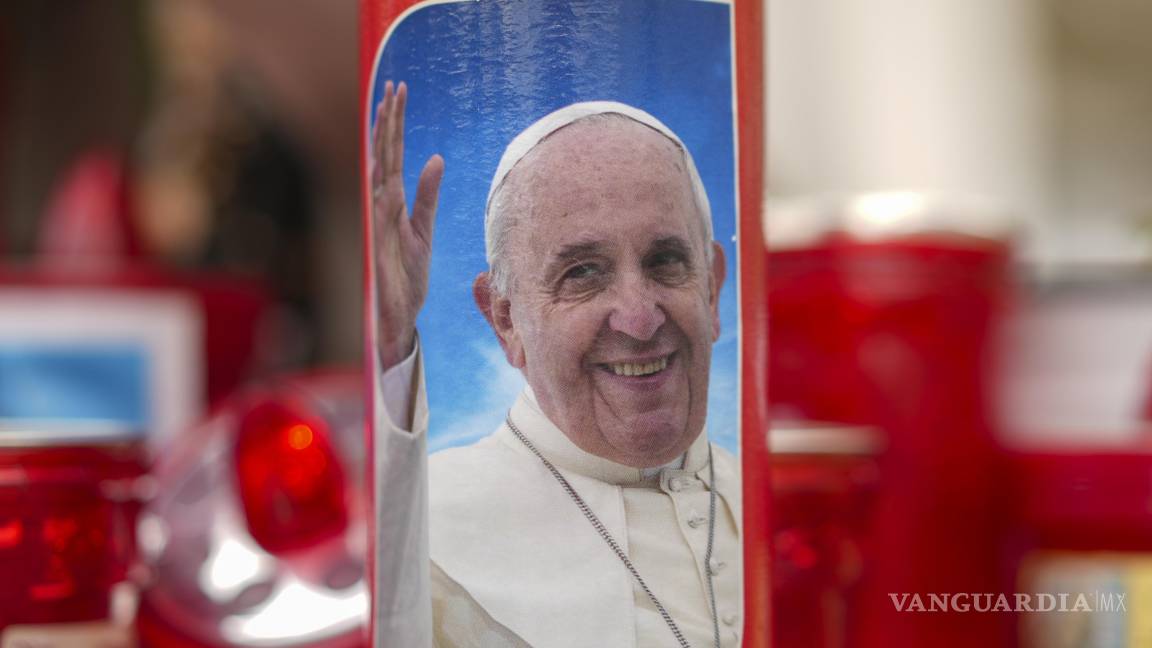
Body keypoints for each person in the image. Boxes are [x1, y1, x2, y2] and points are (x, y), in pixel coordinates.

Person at [371, 81, 741, 648]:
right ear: (506, 320)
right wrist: (389, 345)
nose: (639, 320)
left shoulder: (779, 500)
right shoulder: (427, 523)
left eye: (666, 261)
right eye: (583, 274)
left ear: (713, 290)